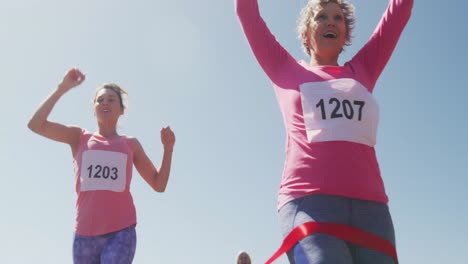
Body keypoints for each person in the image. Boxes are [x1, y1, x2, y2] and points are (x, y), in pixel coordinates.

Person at [236, 0, 413, 263]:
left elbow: (399, 11)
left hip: (371, 210)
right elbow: (246, 13)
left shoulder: (364, 68)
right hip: (308, 203)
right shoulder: (285, 69)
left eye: (338, 18)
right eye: (321, 17)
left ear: (346, 36)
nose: (331, 21)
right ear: (306, 33)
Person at [27, 68, 176, 263]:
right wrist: (61, 89)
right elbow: (35, 125)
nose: (105, 102)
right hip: (83, 235)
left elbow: (158, 184)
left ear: (122, 110)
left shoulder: (130, 145)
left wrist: (168, 149)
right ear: (94, 108)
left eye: (111, 99)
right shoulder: (78, 137)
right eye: (100, 100)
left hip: (120, 232)